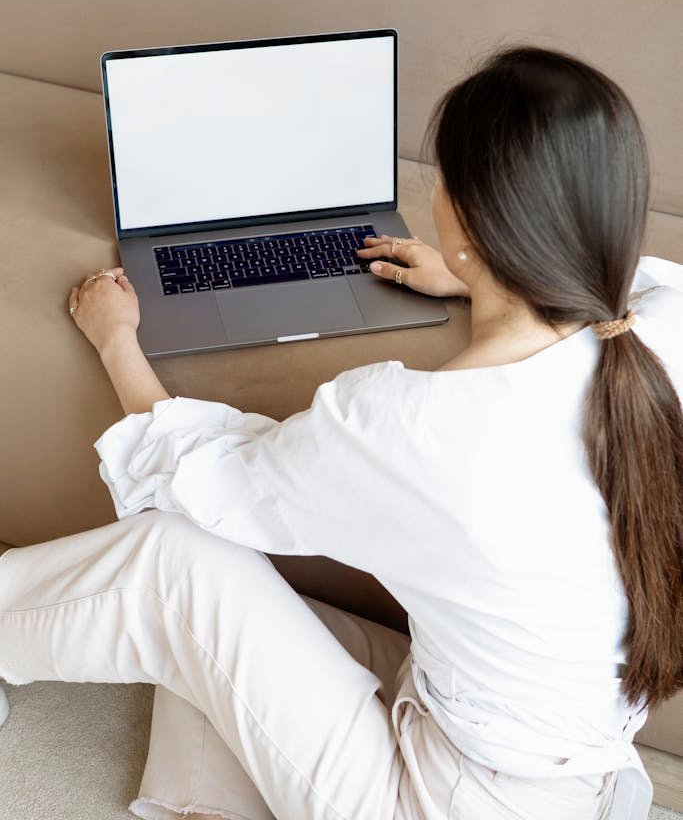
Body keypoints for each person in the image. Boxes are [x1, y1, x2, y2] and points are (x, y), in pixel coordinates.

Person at [1, 44, 681, 820]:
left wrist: (115, 338)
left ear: (467, 220)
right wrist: (476, 274)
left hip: (449, 802)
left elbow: (207, 478)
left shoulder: (413, 423)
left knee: (172, 560)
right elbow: (624, 281)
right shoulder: (660, 334)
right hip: (555, 773)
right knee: (244, 618)